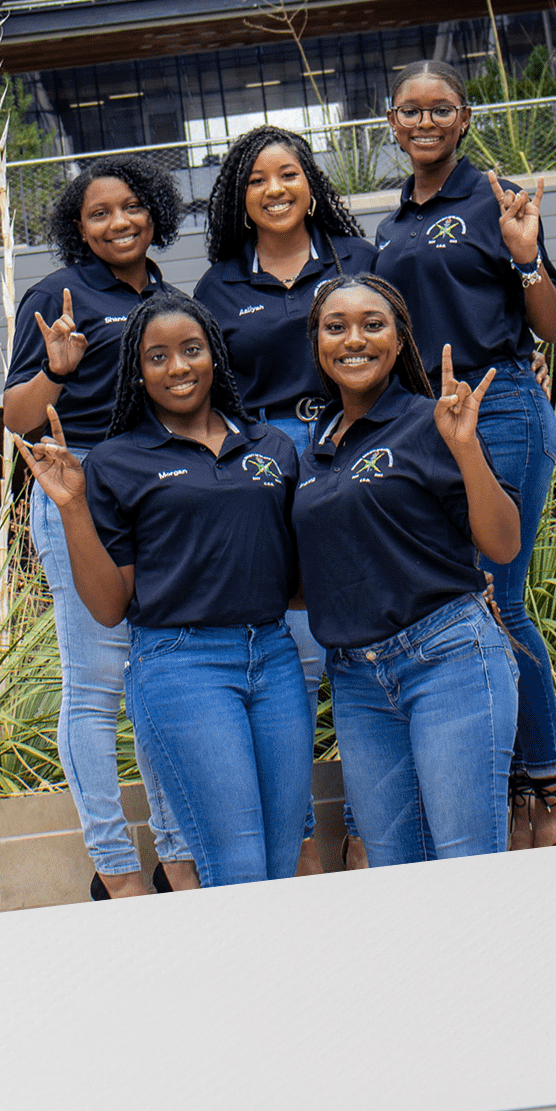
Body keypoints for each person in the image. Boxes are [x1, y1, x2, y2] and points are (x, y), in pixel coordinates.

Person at [16, 291, 313, 888]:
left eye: (191, 350)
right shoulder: (115, 462)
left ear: (214, 356)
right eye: (157, 357)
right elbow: (109, 607)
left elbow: (299, 582)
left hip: (274, 658)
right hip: (183, 665)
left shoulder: (273, 448)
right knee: (237, 868)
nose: (178, 367)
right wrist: (72, 507)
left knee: (283, 864)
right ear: (138, 372)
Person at [368, 65, 556, 847]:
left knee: (503, 598)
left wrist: (525, 257)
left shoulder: (495, 202)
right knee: (470, 606)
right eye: (410, 110)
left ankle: (552, 795)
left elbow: (550, 326)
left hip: (499, 409)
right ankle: (511, 790)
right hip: (430, 426)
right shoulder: (390, 227)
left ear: (465, 119)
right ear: (391, 123)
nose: (425, 121)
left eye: (441, 108)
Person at [0, 153, 196, 899]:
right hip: (77, 486)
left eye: (131, 207)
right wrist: (56, 370)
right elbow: (16, 417)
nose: (119, 222)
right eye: (99, 213)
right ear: (79, 229)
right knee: (94, 687)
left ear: (155, 212)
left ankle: (177, 856)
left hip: (157, 492)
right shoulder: (59, 295)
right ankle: (115, 868)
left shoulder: (172, 298)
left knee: (156, 679)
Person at [191, 127, 380, 871]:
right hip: (266, 461)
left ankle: (366, 833)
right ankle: (300, 842)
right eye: (257, 179)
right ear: (239, 197)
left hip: (350, 447)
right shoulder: (217, 286)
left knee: (361, 644)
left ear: (311, 183)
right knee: (294, 660)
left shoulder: (357, 258)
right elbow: (210, 392)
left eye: (289, 174)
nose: (275, 189)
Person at [293, 275, 522, 865]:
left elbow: (502, 544)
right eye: (336, 327)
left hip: (447, 659)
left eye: (373, 325)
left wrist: (465, 446)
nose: (354, 339)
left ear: (399, 342)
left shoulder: (432, 422)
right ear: (317, 343)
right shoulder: (312, 451)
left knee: (468, 864)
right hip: (358, 682)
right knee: (397, 874)